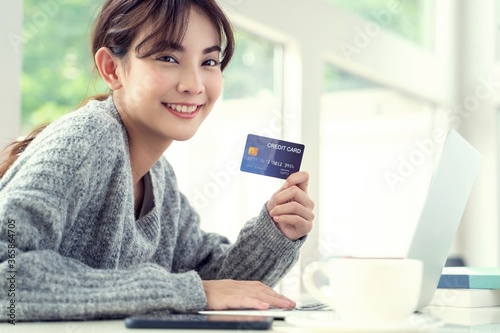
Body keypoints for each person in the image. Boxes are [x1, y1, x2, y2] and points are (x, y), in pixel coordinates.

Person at [0, 0, 314, 322]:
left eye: (209, 61)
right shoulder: (88, 140)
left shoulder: (159, 176)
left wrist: (276, 231)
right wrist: (188, 291)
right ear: (112, 69)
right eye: (167, 58)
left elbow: (217, 282)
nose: (193, 85)